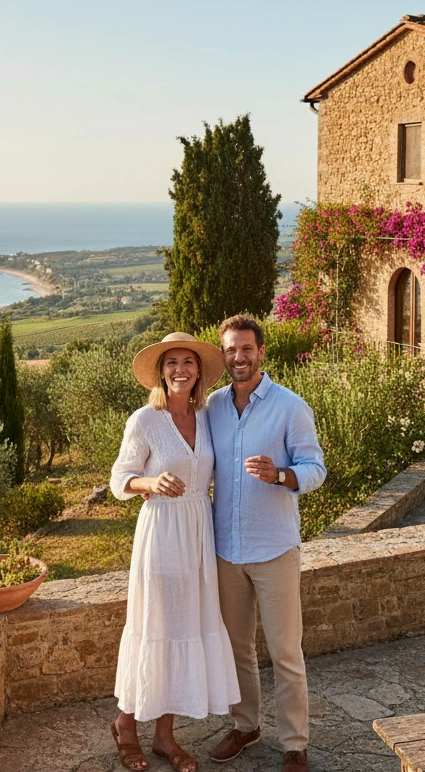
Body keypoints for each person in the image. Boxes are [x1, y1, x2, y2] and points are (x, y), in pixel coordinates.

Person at [109, 332, 241, 772]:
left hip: (199, 537)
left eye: (188, 361)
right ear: (161, 373)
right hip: (162, 534)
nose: (180, 369)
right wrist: (150, 483)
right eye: (171, 363)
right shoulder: (144, 420)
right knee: (156, 627)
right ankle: (126, 725)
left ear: (199, 371)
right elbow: (119, 479)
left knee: (184, 624)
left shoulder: (208, 417)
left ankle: (165, 735)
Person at [206, 315, 326, 772]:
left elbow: (315, 468)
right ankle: (245, 725)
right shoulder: (212, 407)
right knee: (237, 648)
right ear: (224, 354)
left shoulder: (290, 407)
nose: (239, 357)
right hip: (226, 551)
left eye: (246, 349)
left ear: (261, 352)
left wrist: (279, 474)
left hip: (275, 549)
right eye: (231, 350)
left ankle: (294, 743)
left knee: (285, 653)